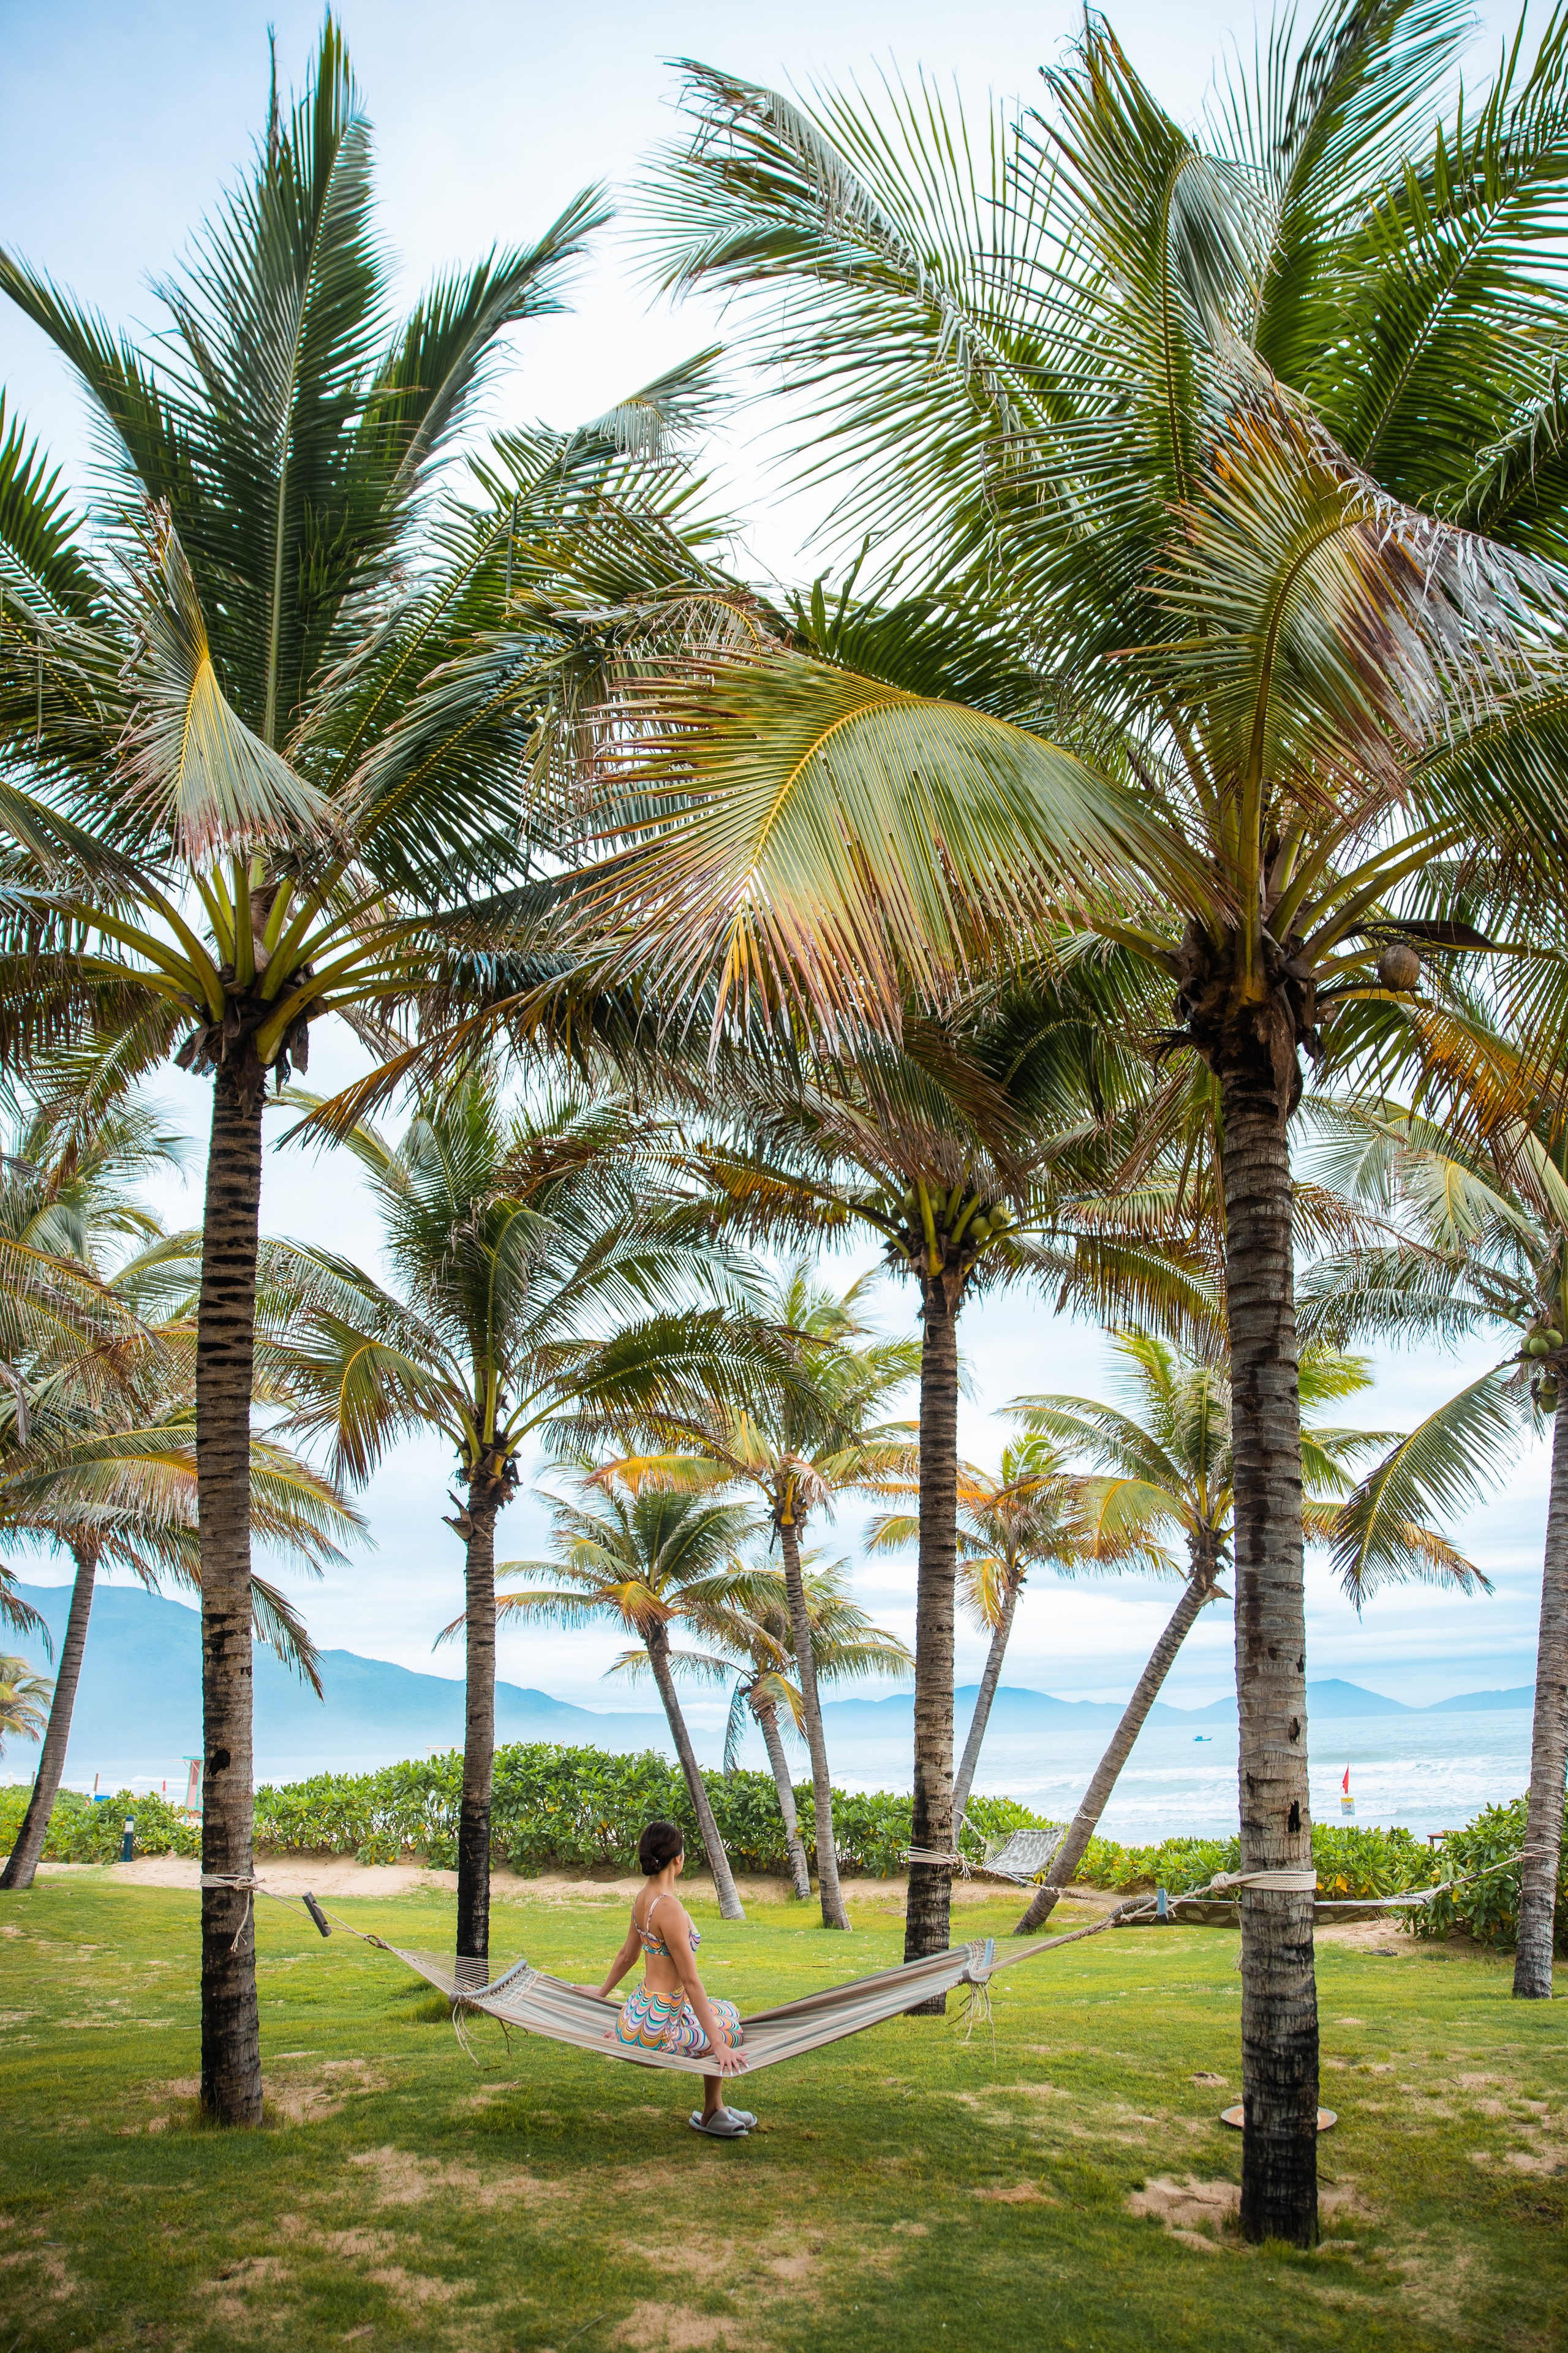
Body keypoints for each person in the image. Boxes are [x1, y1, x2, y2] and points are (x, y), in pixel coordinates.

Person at [589, 1818, 753, 2138]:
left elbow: (628, 1955)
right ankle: (710, 2112)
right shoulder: (671, 1909)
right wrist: (718, 2045)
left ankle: (716, 2108)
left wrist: (601, 1993)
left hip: (637, 2016)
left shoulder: (642, 1899)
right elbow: (691, 1982)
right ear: (678, 1859)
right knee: (730, 2031)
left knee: (728, 2010)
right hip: (658, 2029)